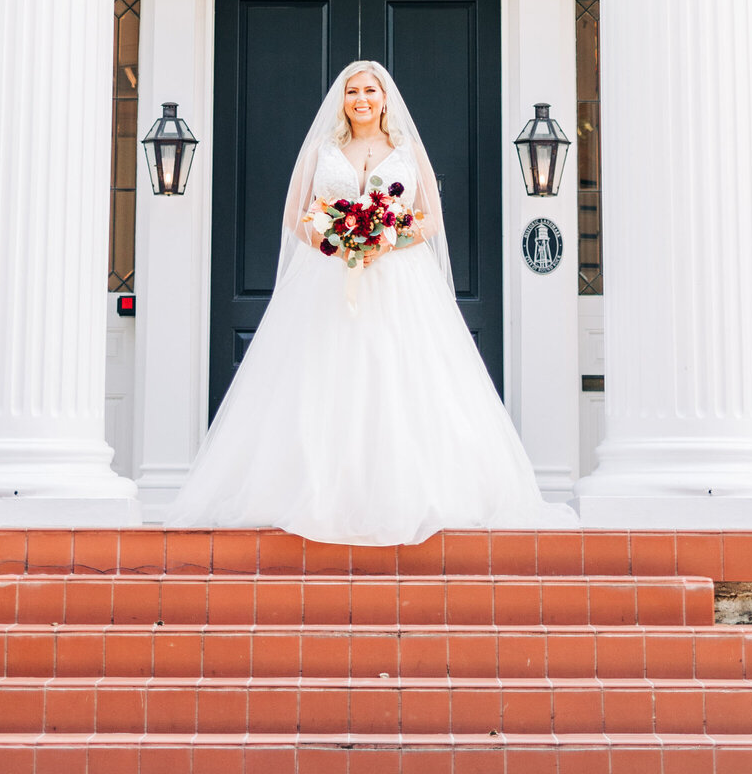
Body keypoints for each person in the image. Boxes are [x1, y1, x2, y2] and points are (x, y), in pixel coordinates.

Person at [168, 58, 572, 542]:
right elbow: (294, 213)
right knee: (321, 379)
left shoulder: (406, 150)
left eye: (370, 91)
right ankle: (311, 494)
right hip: (326, 278)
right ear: (343, 101)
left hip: (397, 279)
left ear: (384, 99)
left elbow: (429, 220)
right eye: (352, 91)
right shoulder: (322, 150)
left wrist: (385, 241)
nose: (361, 99)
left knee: (399, 376)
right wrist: (334, 243)